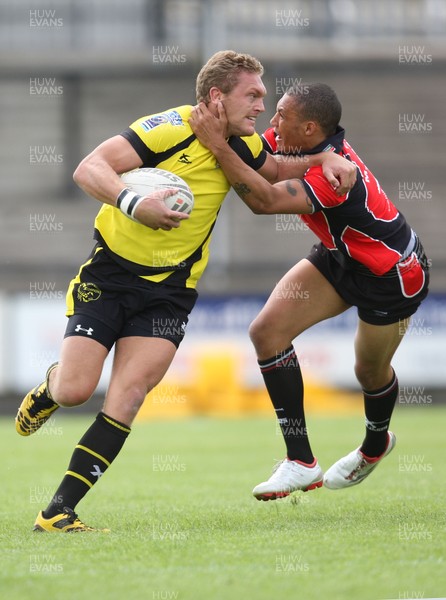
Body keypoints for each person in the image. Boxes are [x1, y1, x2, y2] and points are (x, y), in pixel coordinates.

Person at [16, 52, 356, 532]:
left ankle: (57, 512)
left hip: (170, 291)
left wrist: (325, 155)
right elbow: (89, 168)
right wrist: (134, 203)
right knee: (75, 390)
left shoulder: (241, 142)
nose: (262, 105)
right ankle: (51, 387)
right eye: (253, 94)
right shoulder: (167, 128)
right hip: (110, 277)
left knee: (129, 395)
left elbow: (277, 168)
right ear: (216, 96)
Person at [189, 82, 430, 500]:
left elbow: (263, 199)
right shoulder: (302, 144)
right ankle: (301, 461)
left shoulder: (334, 178)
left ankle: (375, 447)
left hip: (390, 274)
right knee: (267, 333)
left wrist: (218, 145)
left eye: (282, 115)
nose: (272, 121)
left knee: (368, 372)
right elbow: (264, 161)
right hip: (341, 257)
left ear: (310, 128)